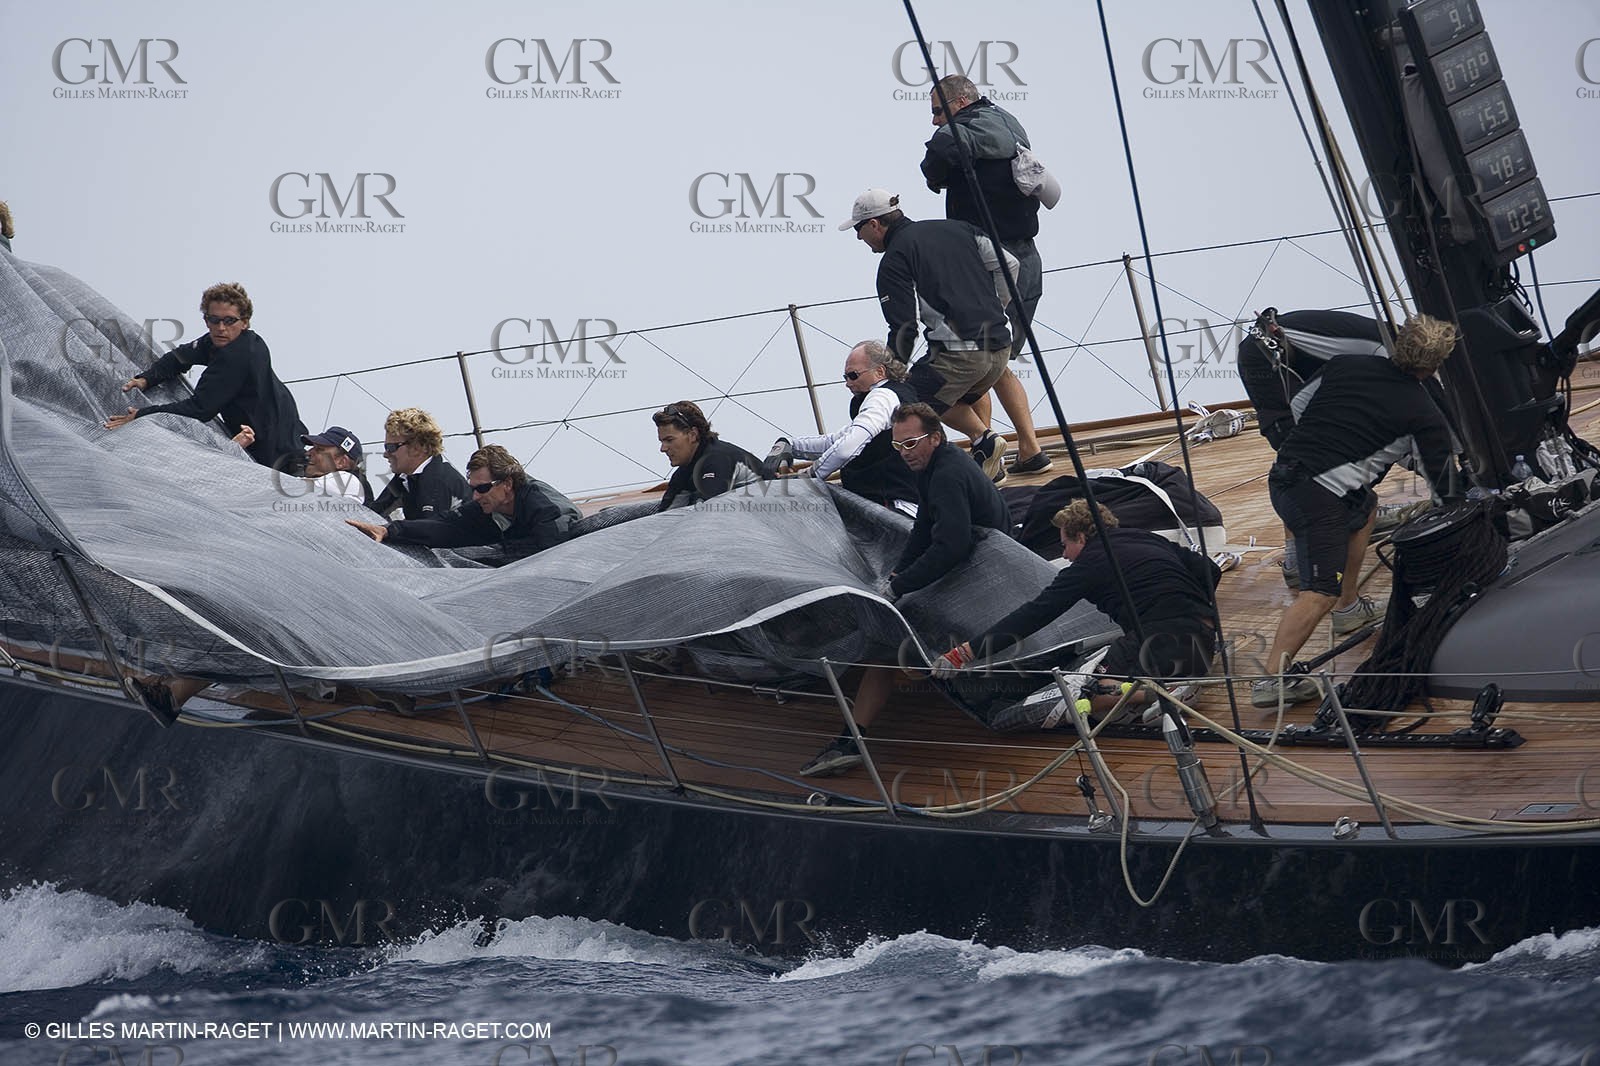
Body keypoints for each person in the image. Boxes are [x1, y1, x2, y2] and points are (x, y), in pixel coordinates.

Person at [1252, 314, 1459, 707]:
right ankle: (1270, 682)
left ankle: (1350, 609)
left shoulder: (1346, 365)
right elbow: (1445, 489)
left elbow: (1299, 401)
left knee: (1365, 507)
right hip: (1316, 499)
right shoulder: (1424, 414)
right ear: (1434, 366)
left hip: (1285, 476)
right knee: (1317, 593)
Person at [799, 402, 1009, 776]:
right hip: (974, 565)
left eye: (910, 444)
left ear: (936, 438)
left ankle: (851, 740)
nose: (904, 453)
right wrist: (898, 573)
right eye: (898, 446)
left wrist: (901, 588)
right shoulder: (934, 467)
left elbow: (952, 545)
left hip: (986, 575)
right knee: (898, 629)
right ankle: (857, 732)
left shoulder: (945, 475)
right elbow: (924, 530)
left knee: (886, 646)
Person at [934, 500, 1218, 720]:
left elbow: (1033, 615)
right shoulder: (1145, 537)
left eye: (1065, 545)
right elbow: (1211, 569)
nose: (1065, 556)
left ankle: (1164, 694)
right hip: (1205, 640)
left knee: (1090, 695)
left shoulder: (1086, 566)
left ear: (1081, 537)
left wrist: (965, 653)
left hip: (1161, 642)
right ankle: (1166, 685)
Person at [920, 74, 1051, 475]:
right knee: (1000, 360)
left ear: (959, 103)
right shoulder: (1011, 122)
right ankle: (1025, 449)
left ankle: (988, 448)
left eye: (938, 111)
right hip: (1028, 260)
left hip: (993, 261)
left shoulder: (965, 130)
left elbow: (936, 157)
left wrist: (936, 170)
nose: (935, 122)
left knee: (982, 359)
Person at [841, 188, 1017, 482]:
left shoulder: (895, 259)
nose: (858, 237)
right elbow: (1010, 264)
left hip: (960, 355)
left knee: (909, 404)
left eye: (859, 229)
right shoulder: (959, 228)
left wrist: (890, 379)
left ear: (874, 224)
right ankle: (987, 456)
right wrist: (996, 307)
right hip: (1000, 346)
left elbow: (904, 327)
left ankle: (971, 453)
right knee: (946, 396)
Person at [104, 282, 307, 472]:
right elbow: (180, 357)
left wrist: (140, 415)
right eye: (214, 320)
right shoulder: (220, 340)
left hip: (276, 453)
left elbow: (200, 409)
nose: (221, 328)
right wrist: (146, 378)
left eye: (229, 321)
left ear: (244, 322)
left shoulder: (238, 355)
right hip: (282, 433)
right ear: (206, 320)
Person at [767, 340, 920, 516]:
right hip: (900, 505)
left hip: (886, 510)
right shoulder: (898, 395)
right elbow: (839, 440)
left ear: (879, 372)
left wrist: (808, 477)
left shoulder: (881, 397)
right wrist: (791, 445)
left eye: (853, 375)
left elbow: (846, 448)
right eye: (845, 377)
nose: (847, 383)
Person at [346, 444, 576, 552]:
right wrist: (389, 530)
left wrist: (502, 550)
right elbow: (445, 525)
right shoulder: (485, 505)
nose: (475, 496)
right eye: (473, 488)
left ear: (507, 484)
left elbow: (553, 550)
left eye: (483, 488)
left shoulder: (545, 508)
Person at [654, 400, 774, 510]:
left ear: (692, 435)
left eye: (669, 440)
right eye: (662, 441)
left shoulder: (717, 460)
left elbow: (706, 515)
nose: (663, 449)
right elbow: (663, 516)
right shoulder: (683, 473)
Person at [367, 407, 468, 520]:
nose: (385, 454)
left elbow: (431, 533)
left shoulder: (440, 481)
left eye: (390, 447)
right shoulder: (405, 477)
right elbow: (373, 512)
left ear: (417, 447)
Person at [299, 425, 373, 504]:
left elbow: (293, 487)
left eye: (319, 450)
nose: (308, 453)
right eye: (313, 447)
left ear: (341, 462)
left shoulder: (347, 481)